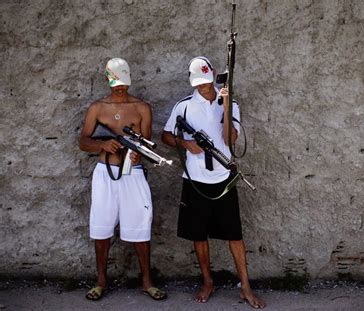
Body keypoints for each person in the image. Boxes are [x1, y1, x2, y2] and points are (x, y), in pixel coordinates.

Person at [161, 56, 265, 309]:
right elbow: (165, 135)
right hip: (195, 180)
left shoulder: (230, 103)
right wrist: (186, 144)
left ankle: (245, 286)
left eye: (207, 82)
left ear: (214, 75)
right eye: (199, 83)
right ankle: (208, 281)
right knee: (199, 235)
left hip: (223, 179)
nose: (203, 87)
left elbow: (229, 139)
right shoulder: (183, 106)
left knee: (235, 235)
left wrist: (226, 105)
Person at [79, 58, 166, 301]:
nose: (120, 88)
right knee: (102, 227)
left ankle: (147, 281)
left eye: (123, 83)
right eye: (115, 83)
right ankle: (100, 282)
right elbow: (83, 141)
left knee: (141, 225)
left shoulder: (142, 108)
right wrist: (103, 144)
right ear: (108, 79)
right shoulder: (97, 108)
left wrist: (138, 155)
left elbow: (146, 142)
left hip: (133, 173)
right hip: (105, 173)